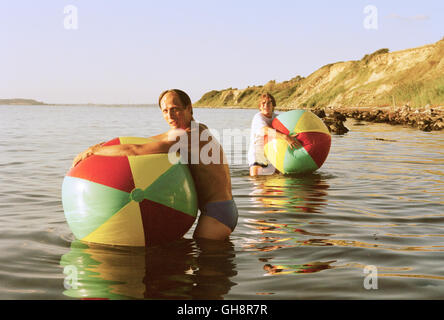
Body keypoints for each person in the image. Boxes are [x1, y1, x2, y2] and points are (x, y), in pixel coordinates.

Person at [72, 89, 238, 241]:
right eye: (165, 111)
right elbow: (147, 142)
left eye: (175, 109)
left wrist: (94, 151)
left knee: (208, 263)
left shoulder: (191, 135)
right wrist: (105, 146)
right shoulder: (195, 128)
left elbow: (136, 150)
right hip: (220, 209)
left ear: (189, 108)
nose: (170, 115)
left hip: (217, 214)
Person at [248, 93, 300, 176]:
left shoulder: (278, 118)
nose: (266, 105)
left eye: (269, 103)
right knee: (257, 182)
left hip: (273, 154)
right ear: (260, 106)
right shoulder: (258, 117)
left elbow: (290, 125)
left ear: (273, 105)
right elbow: (265, 130)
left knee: (275, 184)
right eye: (263, 103)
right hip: (258, 155)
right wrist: (285, 137)